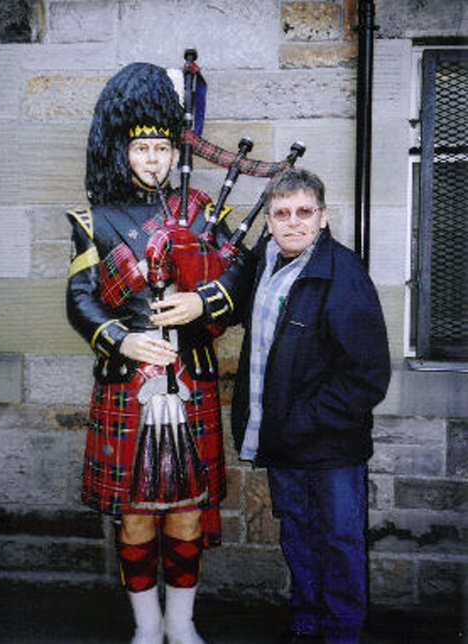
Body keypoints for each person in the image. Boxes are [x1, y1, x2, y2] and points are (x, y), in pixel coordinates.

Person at [155, 167, 391, 644]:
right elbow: (226, 300)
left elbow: (367, 376)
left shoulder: (342, 276)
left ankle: (343, 633)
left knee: (340, 541)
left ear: (323, 218)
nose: (293, 223)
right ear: (268, 221)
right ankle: (306, 622)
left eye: (305, 212)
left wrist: (303, 422)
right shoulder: (264, 261)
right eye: (281, 213)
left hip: (329, 447)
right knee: (298, 535)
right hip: (281, 439)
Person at [66, 61, 231, 644]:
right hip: (126, 382)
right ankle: (146, 627)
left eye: (162, 147)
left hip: (189, 382)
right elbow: (80, 300)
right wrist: (123, 338)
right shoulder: (96, 220)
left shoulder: (204, 210)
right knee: (135, 515)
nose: (154, 159)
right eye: (143, 149)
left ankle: (182, 625)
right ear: (123, 151)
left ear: (174, 150)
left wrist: (203, 304)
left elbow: (241, 277)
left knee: (186, 510)